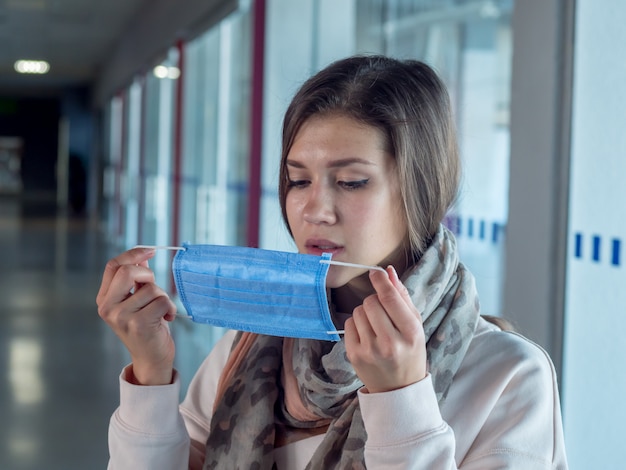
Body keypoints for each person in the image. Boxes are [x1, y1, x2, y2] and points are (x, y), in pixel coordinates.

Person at [97, 55, 568, 469]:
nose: (313, 210)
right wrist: (150, 374)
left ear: (420, 193)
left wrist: (400, 401)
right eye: (298, 181)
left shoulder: (507, 376)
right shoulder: (250, 348)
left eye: (350, 182)